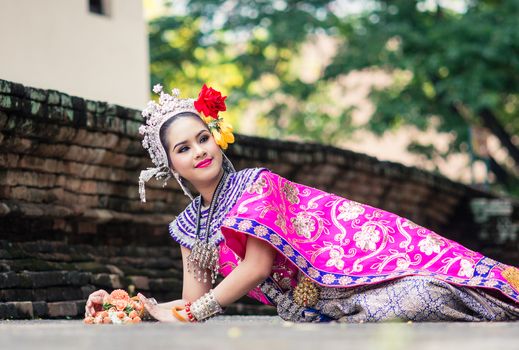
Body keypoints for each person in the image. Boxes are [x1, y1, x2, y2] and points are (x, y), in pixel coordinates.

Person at [85, 84, 519, 323]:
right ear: (172, 167)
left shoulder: (256, 185)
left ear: (216, 139)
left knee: (422, 294)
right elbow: (193, 299)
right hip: (318, 311)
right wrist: (137, 308)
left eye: (203, 138)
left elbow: (254, 269)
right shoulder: (188, 228)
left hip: (356, 282)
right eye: (183, 149)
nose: (199, 151)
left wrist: (193, 313)